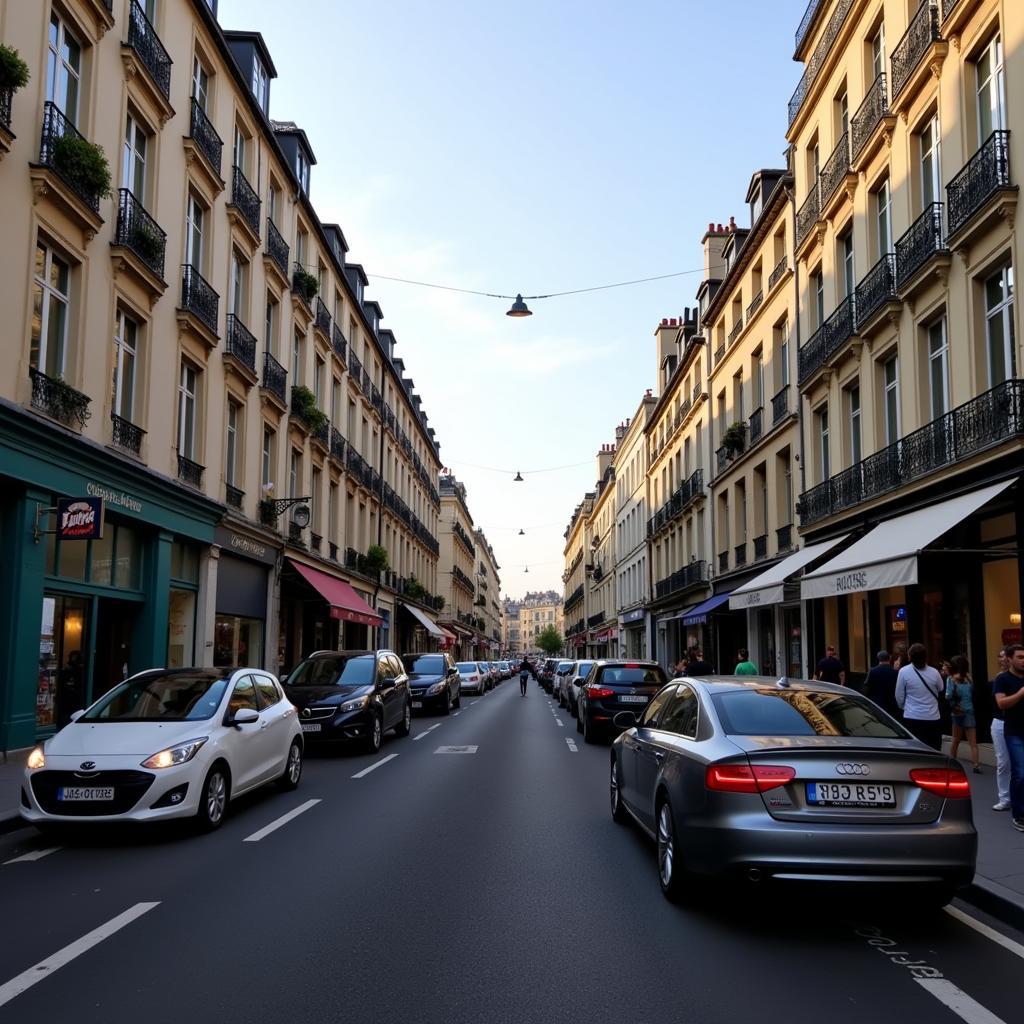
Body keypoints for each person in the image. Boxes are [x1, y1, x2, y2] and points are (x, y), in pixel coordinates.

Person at [993, 643, 1024, 831]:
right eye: (1020, 657)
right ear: (1010, 659)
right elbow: (1001, 703)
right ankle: (1018, 814)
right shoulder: (1003, 679)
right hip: (1014, 732)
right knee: (1020, 773)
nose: (1023, 660)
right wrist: (1020, 693)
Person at [895, 642, 944, 751]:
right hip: (932, 717)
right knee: (934, 749)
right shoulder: (935, 673)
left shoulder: (903, 672)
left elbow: (899, 696)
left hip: (912, 716)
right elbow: (941, 689)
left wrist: (905, 707)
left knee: (914, 750)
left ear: (910, 657)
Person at [946, 655, 980, 773]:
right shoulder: (969, 678)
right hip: (970, 711)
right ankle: (976, 764)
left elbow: (948, 695)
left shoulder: (951, 679)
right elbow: (972, 691)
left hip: (957, 712)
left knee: (956, 739)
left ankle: (952, 762)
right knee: (973, 743)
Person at [990, 646, 1012, 811]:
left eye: (1005, 656)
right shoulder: (999, 678)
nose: (1002, 659)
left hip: (1015, 722)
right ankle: (1005, 798)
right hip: (1000, 722)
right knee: (1003, 762)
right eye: (1000, 656)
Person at [864, 650, 900, 719]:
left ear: (878, 658)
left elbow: (867, 686)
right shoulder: (895, 672)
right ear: (890, 658)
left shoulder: (872, 671)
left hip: (877, 703)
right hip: (891, 703)